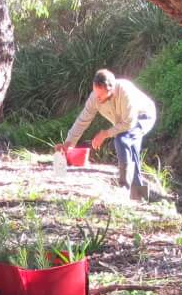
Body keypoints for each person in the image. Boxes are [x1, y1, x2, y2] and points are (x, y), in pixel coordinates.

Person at [62, 68, 158, 201]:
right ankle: (140, 197)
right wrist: (69, 143)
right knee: (132, 150)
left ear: (111, 89)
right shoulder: (95, 97)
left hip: (144, 116)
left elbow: (129, 123)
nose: (97, 98)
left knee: (122, 140)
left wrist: (105, 134)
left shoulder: (125, 91)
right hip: (125, 122)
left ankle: (124, 186)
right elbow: (82, 120)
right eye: (96, 93)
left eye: (101, 95)